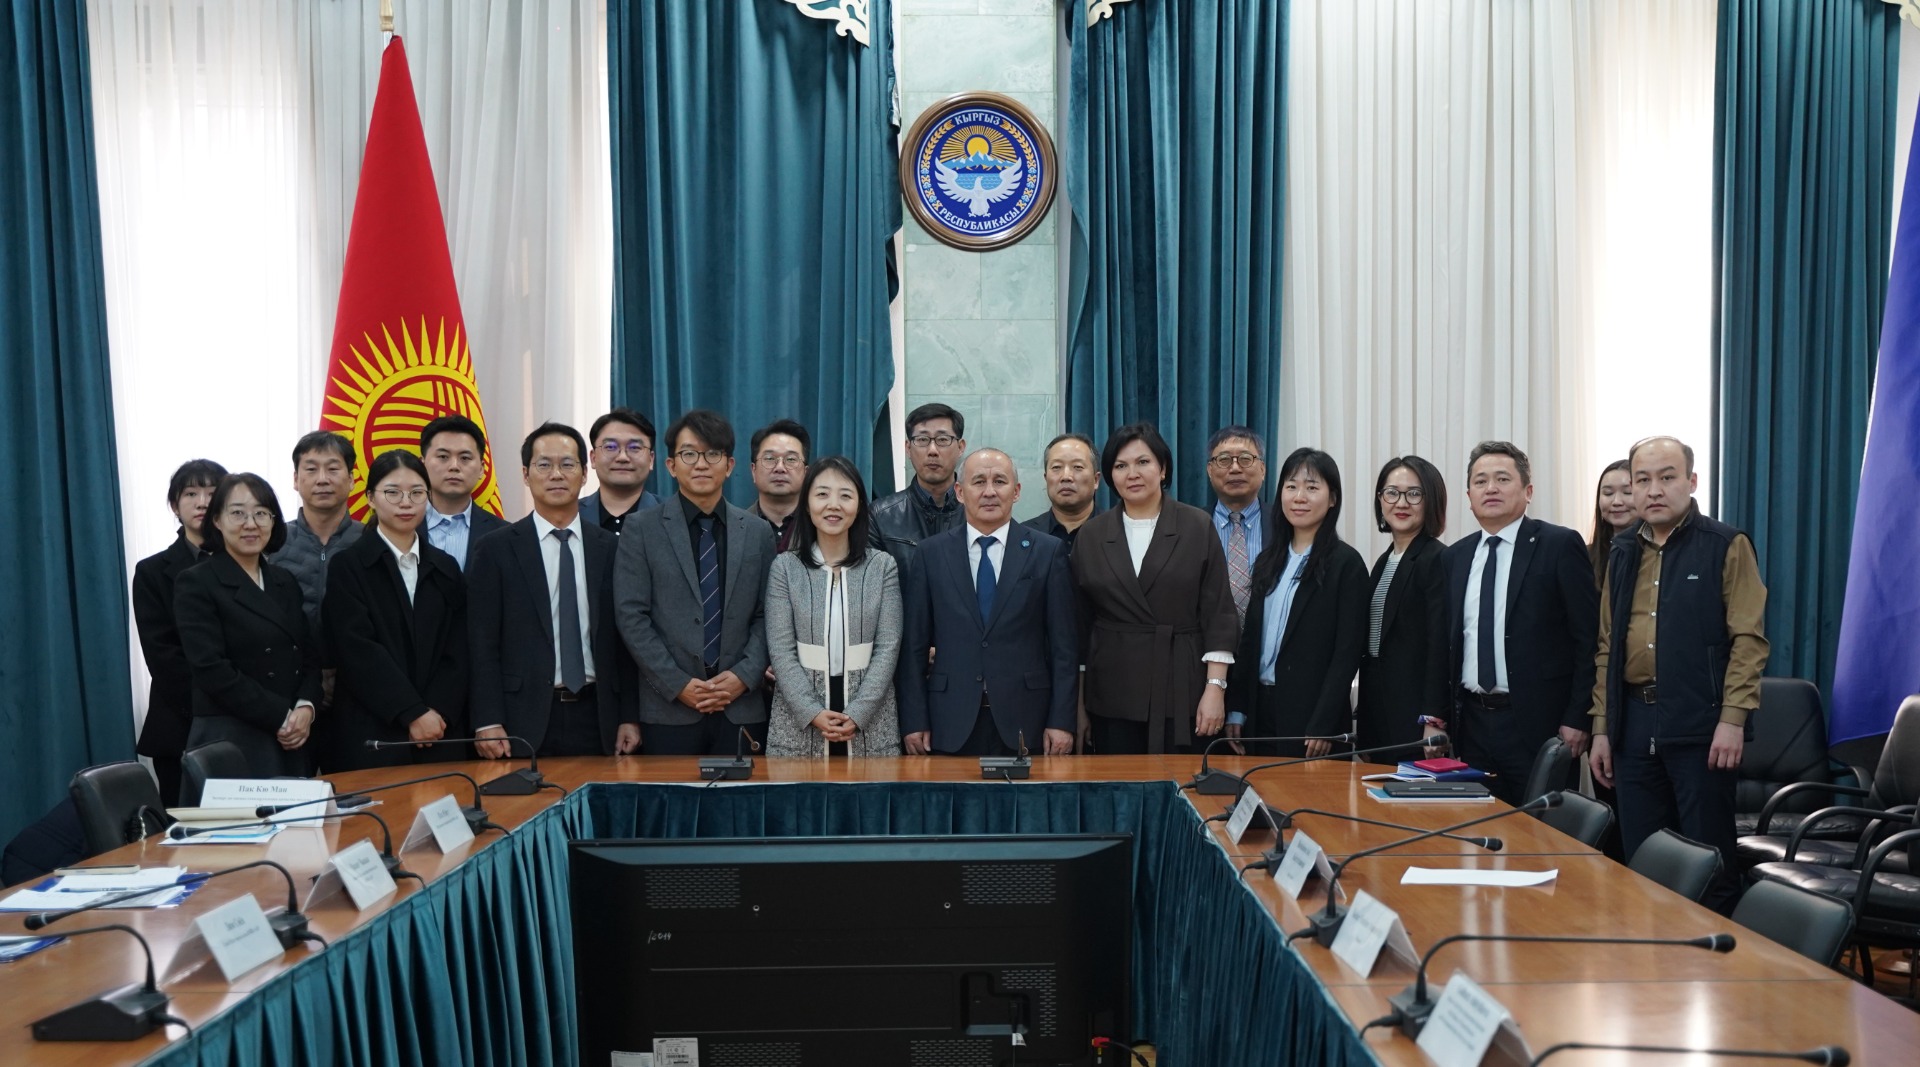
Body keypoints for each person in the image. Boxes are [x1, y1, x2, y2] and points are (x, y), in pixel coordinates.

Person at [1590, 437, 1767, 910]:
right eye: (1642, 480)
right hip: (1632, 724)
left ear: (1691, 481)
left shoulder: (1725, 545)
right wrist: (1602, 728)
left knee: (1711, 863)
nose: (1653, 490)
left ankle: (1721, 955)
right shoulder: (1623, 550)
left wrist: (1733, 720)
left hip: (1701, 725)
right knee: (1644, 863)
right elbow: (1607, 646)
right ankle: (1654, 956)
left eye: (1667, 477)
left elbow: (1748, 641)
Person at [1439, 441, 1599, 805]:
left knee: (1542, 828)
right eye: (1480, 481)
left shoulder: (1559, 545)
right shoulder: (1456, 557)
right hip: (1473, 724)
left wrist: (1578, 718)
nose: (1490, 488)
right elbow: (1450, 642)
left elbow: (1587, 639)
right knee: (1479, 827)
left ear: (1528, 491)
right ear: (1468, 496)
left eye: (1502, 479)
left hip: (1541, 725)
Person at [468, 423, 639, 759]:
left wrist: (629, 716)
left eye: (568, 464)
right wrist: (487, 719)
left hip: (599, 715)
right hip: (521, 717)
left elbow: (625, 640)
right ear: (526, 474)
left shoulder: (611, 548)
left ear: (585, 473)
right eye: (544, 465)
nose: (556, 474)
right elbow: (481, 642)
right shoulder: (495, 549)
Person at [615, 410, 778, 754]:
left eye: (712, 454)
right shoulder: (641, 529)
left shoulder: (758, 532)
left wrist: (744, 677)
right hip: (668, 709)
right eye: (689, 454)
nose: (701, 464)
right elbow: (631, 616)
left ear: (729, 465)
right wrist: (677, 684)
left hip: (741, 707)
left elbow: (770, 614)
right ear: (671, 465)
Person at [1071, 423, 1238, 754]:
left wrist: (1215, 688)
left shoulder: (1196, 526)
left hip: (1183, 686)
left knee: (1184, 780)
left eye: (1143, 462)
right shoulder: (1091, 535)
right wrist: (1077, 704)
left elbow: (1219, 613)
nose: (1132, 473)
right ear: (1109, 476)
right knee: (1119, 782)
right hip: (1113, 690)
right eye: (1121, 465)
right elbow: (1077, 626)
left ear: (1163, 469)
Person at [901, 449, 1079, 757]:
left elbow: (1064, 648)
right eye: (979, 481)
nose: (989, 492)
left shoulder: (1047, 552)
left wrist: (1061, 721)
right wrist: (914, 719)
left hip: (1028, 718)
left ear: (1016, 491)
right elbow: (913, 646)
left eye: (999, 481)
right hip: (948, 718)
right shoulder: (931, 554)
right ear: (960, 492)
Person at [322, 450, 469, 770]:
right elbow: (356, 649)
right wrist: (412, 712)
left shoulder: (445, 567)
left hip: (440, 731)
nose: (406, 503)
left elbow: (458, 649)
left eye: (416, 493)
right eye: (393, 493)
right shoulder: (349, 566)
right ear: (370, 498)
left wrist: (436, 712)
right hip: (374, 730)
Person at [173, 473, 321, 777]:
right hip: (230, 737)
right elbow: (211, 668)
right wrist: (280, 716)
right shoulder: (197, 582)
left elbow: (307, 655)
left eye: (261, 514)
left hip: (290, 735)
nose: (251, 524)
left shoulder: (284, 581)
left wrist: (306, 707)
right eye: (238, 513)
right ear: (217, 520)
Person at [1226, 449, 1369, 757]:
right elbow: (1250, 641)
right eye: (1291, 486)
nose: (1299, 497)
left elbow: (1347, 654)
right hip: (1259, 711)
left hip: (1311, 719)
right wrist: (1237, 708)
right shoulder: (1268, 560)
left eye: (1312, 487)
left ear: (1332, 499)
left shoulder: (1346, 564)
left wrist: (1324, 723)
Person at [764, 456, 902, 757]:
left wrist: (859, 712)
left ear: (859, 506)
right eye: (822, 494)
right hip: (799, 721)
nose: (833, 505)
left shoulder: (882, 567)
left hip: (871, 720)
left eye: (846, 496)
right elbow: (781, 650)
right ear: (807, 504)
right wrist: (811, 711)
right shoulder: (785, 568)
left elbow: (888, 648)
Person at [131, 459, 228, 804]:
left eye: (212, 493)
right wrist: (220, 707)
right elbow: (163, 657)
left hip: (248, 729)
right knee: (185, 829)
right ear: (175, 505)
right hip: (180, 725)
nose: (202, 502)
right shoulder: (152, 571)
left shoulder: (252, 564)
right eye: (191, 494)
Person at [1355, 456, 1451, 752]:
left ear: (1431, 500)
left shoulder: (1437, 559)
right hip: (1378, 706)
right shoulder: (1384, 561)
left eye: (1414, 494)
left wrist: (1433, 717)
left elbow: (1440, 646)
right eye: (1392, 493)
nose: (1401, 503)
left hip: (1413, 711)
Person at [273, 430, 364, 631]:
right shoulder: (273, 541)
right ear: (296, 479)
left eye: (333, 469)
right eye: (311, 469)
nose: (322, 479)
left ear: (351, 479)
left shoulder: (370, 540)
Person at [869, 402, 967, 576]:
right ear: (908, 448)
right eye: (922, 440)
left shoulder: (978, 511)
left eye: (943, 440)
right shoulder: (880, 516)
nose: (932, 450)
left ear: (960, 447)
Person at [1205, 425, 1275, 630]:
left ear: (1262, 469)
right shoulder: (1189, 527)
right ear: (1210, 470)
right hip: (1206, 644)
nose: (1235, 468)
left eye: (1245, 459)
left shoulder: (1287, 525)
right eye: (1224, 460)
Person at [421, 415, 508, 569]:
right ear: (423, 464)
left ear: (481, 469)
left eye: (465, 458)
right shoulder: (395, 526)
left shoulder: (505, 534)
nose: (454, 466)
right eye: (443, 456)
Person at [581, 407, 661, 534]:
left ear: (651, 460)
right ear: (593, 458)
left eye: (634, 448)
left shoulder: (675, 516)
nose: (622, 457)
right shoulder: (570, 515)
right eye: (610, 447)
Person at [1029, 432, 1102, 555]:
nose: (1066, 477)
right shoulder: (1025, 536)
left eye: (1077, 467)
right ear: (1046, 479)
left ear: (1096, 480)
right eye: (1056, 467)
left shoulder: (1118, 531)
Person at [746, 419, 810, 552]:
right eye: (769, 458)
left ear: (806, 473)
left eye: (791, 459)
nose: (780, 468)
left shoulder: (820, 528)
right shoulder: (734, 528)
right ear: (753, 471)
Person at [1588, 458, 1634, 582]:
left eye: (1627, 492)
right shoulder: (1584, 555)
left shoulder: (1655, 554)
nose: (1617, 502)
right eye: (1608, 493)